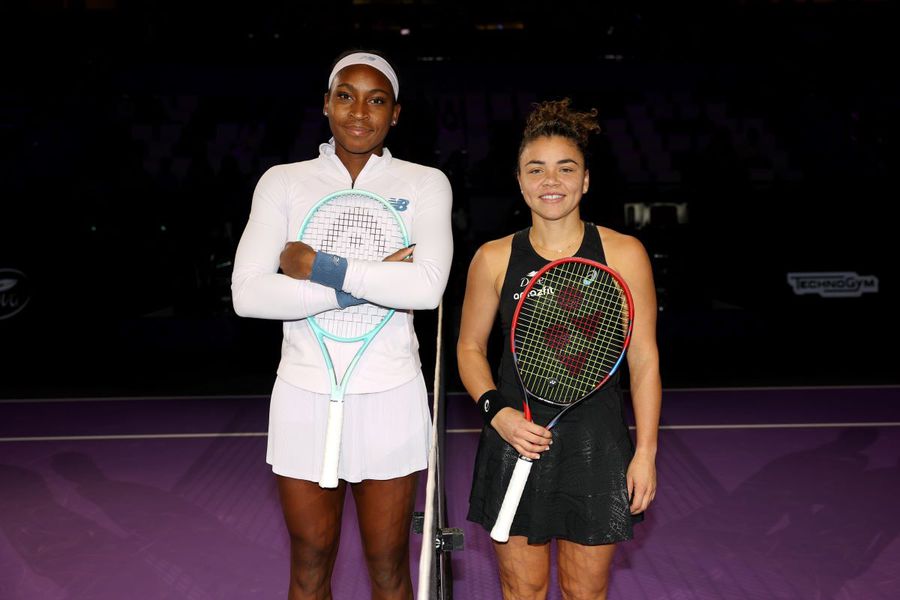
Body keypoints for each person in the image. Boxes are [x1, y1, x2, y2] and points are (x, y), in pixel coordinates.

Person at [231, 49, 453, 599]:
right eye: (346, 96)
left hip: (391, 395)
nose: (359, 112)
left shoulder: (425, 183)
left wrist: (317, 267)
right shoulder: (283, 181)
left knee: (389, 568)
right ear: (326, 104)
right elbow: (249, 295)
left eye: (376, 100)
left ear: (395, 114)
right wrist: (366, 282)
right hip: (302, 394)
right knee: (308, 565)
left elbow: (426, 288)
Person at [457, 98, 661, 600]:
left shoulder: (624, 253)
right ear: (519, 181)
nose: (552, 180)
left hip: (597, 446)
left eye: (566, 168)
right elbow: (469, 347)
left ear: (585, 180)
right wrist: (498, 414)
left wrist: (646, 454)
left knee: (584, 592)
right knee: (521, 591)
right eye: (536, 169)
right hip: (515, 439)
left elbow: (644, 359)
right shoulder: (492, 258)